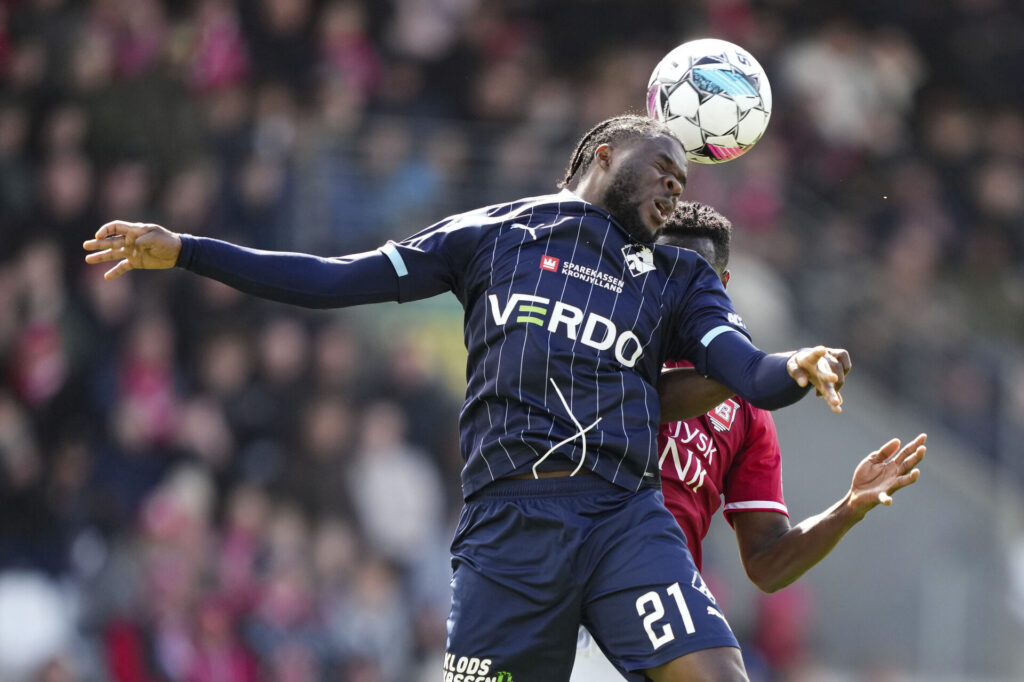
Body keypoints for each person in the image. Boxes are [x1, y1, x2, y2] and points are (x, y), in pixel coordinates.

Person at [85, 114, 847, 682]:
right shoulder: (493, 235)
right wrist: (188, 249)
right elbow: (329, 279)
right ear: (604, 155)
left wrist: (799, 365)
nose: (673, 192)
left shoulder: (675, 278)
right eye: (663, 173)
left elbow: (746, 372)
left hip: (623, 517)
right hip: (507, 529)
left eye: (683, 184)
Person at [572, 201, 926, 681]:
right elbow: (653, 398)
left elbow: (767, 565)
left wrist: (848, 508)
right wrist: (768, 370)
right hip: (565, 581)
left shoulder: (746, 415)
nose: (674, 290)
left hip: (653, 604)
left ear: (721, 286)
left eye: (694, 278)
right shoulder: (599, 343)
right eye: (663, 270)